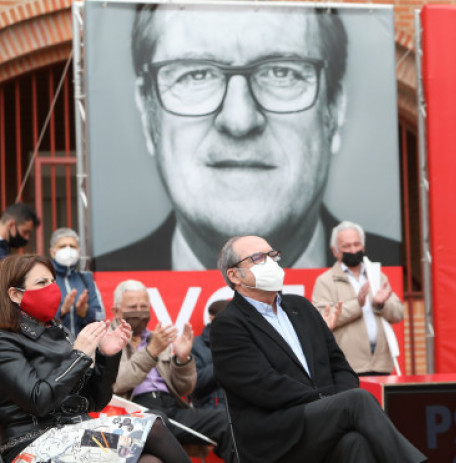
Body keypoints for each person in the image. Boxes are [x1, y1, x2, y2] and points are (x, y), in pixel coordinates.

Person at [95, 4, 400, 271]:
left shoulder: (388, 274)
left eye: (282, 73)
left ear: (334, 109)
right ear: (148, 114)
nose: (239, 120)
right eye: (196, 74)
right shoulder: (103, 288)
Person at [211, 235, 426, 463]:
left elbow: (339, 366)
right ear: (234, 275)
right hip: (276, 433)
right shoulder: (228, 324)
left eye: (273, 255)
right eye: (258, 258)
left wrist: (330, 403)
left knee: (355, 443)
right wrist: (326, 401)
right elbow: (261, 385)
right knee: (357, 401)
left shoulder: (300, 307)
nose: (271, 262)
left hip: (319, 422)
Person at [0, 255, 190, 463]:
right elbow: (38, 401)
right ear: (15, 295)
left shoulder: (57, 331)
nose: (51, 288)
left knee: (150, 460)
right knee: (153, 428)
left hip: (75, 432)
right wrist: (78, 355)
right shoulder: (5, 340)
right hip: (33, 443)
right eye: (41, 283)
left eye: (53, 281)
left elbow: (94, 401)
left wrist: (107, 357)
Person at [110, 279, 232, 461]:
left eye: (144, 306)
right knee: (157, 421)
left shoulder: (158, 338)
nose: (139, 311)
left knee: (226, 421)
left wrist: (183, 360)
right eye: (133, 306)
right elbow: (116, 384)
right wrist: (151, 352)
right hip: (134, 412)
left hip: (172, 409)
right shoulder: (107, 340)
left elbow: (184, 389)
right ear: (116, 311)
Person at [312, 221, 404, 375]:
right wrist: (358, 304)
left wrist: (380, 305)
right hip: (348, 367)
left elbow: (398, 313)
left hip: (381, 365)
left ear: (364, 247)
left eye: (357, 244)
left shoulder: (377, 276)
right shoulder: (325, 281)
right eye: (346, 246)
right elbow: (323, 319)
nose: (353, 250)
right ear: (335, 251)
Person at [50, 227, 105, 337]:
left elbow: (101, 315)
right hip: (54, 348)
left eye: (72, 246)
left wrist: (84, 312)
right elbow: (36, 318)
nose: (68, 249)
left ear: (78, 251)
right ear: (52, 252)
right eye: (62, 246)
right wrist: (61, 311)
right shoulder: (45, 280)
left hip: (84, 349)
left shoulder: (86, 279)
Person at [190, 299, 228, 409]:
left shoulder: (245, 343)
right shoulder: (196, 346)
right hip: (213, 410)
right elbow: (193, 383)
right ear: (212, 319)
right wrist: (225, 360)